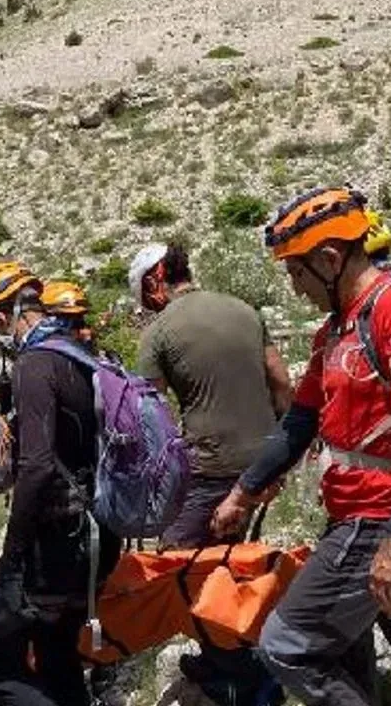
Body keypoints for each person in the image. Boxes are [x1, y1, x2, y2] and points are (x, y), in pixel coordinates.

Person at [212, 186, 391, 706]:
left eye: (296, 272)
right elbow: (299, 422)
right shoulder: (335, 331)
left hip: (383, 515)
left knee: (287, 646)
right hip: (353, 514)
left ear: (330, 259)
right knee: (343, 640)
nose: (295, 288)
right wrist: (243, 492)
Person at [127, 242, 294, 706]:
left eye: (146, 298)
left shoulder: (160, 332)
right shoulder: (244, 310)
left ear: (155, 282)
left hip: (209, 466)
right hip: (262, 462)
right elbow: (282, 382)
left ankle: (240, 673)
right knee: (234, 559)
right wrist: (281, 453)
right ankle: (228, 652)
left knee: (181, 565)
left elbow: (149, 417)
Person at [0, 262, 123, 706]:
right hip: (101, 532)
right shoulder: (85, 355)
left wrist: (14, 550)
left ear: (2, 318)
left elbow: (35, 466)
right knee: (57, 654)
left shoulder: (34, 365)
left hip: (56, 543)